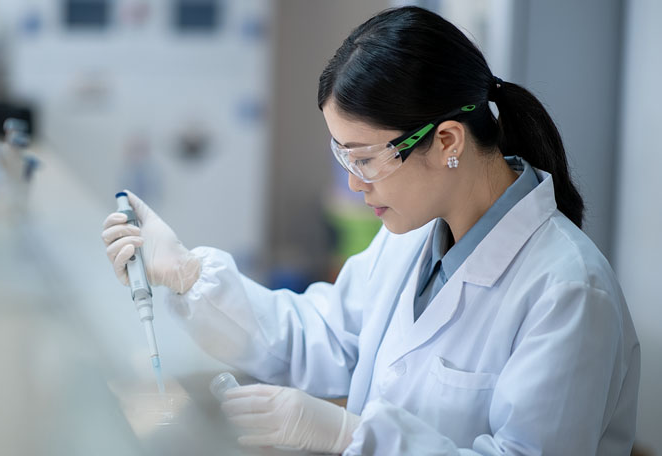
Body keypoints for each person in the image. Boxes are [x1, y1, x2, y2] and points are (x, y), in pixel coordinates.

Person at [101, 6, 639, 455]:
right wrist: (188, 275)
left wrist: (353, 436)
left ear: (447, 141)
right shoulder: (411, 237)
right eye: (342, 156)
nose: (354, 184)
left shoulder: (568, 292)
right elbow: (326, 338)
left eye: (364, 159)